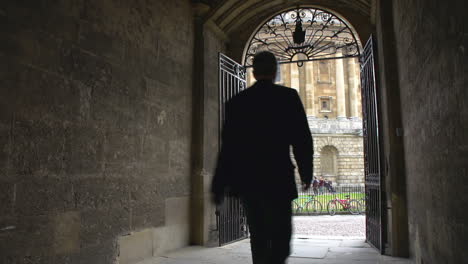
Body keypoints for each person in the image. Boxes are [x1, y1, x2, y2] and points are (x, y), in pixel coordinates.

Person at [211, 51, 314, 264]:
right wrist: (306, 173)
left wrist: (219, 185)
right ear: (275, 71)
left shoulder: (237, 102)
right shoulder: (288, 97)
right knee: (281, 237)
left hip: (250, 181)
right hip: (279, 178)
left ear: (254, 72)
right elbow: (302, 140)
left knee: (258, 236)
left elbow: (228, 148)